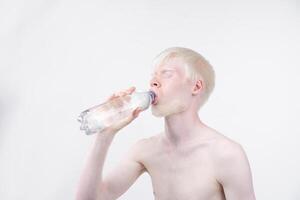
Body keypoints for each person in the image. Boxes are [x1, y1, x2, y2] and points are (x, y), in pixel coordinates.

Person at [75, 47, 256, 200]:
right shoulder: (145, 150)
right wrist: (105, 135)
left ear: (196, 87)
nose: (153, 82)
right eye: (153, 76)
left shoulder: (226, 154)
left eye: (166, 74)